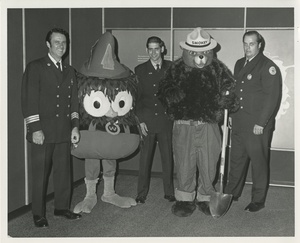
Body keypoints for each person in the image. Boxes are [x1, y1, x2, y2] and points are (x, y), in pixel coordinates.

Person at [21, 28, 82, 228]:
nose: (61, 46)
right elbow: (29, 100)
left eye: (64, 42)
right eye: (56, 42)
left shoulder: (70, 70)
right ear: (48, 44)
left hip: (63, 131)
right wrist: (35, 128)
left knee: (64, 172)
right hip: (43, 132)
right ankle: (38, 214)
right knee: (40, 175)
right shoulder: (36, 67)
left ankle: (62, 207)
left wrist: (74, 127)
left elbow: (74, 103)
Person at [225, 30, 282, 212]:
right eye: (245, 44)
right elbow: (236, 93)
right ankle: (232, 192)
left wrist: (261, 123)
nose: (247, 48)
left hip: (257, 125)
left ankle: (258, 199)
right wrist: (232, 116)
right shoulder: (239, 63)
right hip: (240, 121)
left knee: (258, 163)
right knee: (236, 159)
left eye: (251, 44)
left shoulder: (267, 66)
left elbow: (272, 98)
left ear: (259, 45)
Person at [134, 36, 175, 204]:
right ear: (146, 50)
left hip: (166, 121)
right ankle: (141, 193)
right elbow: (135, 98)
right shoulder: (139, 70)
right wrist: (140, 120)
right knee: (145, 160)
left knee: (167, 158)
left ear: (162, 49)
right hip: (147, 121)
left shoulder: (171, 67)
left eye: (156, 49)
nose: (153, 52)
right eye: (150, 49)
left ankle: (169, 192)